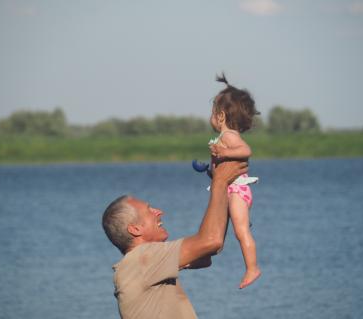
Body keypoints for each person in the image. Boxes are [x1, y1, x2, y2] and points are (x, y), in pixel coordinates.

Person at [102, 160, 248, 319]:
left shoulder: (143, 263)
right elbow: (211, 240)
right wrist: (220, 181)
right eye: (149, 210)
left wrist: (229, 196)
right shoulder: (141, 259)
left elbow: (209, 252)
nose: (159, 212)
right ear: (135, 229)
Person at [208, 73, 261, 289]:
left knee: (241, 231)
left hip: (238, 192)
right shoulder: (224, 138)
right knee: (218, 231)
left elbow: (245, 150)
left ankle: (252, 267)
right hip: (228, 191)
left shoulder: (229, 136)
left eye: (212, 112)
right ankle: (206, 255)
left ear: (220, 116)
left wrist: (224, 155)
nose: (210, 117)